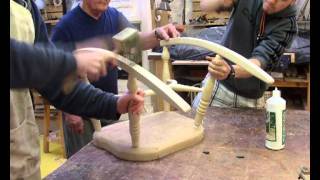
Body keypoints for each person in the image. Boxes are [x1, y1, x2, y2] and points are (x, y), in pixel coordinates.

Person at [10, 0, 144, 179]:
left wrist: (115, 103)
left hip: (21, 154)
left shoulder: (27, 6)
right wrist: (70, 61)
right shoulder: (67, 23)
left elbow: (54, 83)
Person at [50, 0, 183, 158]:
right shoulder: (65, 26)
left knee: (110, 163)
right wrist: (69, 112)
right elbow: (53, 72)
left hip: (110, 105)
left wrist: (157, 33)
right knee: (83, 164)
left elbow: (137, 40)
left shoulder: (114, 17)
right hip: (81, 111)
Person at [192, 0, 297, 109]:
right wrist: (220, 2)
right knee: (193, 124)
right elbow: (205, 5)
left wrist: (231, 71)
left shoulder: (287, 25)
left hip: (250, 100)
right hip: (217, 86)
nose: (271, 1)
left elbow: (259, 62)